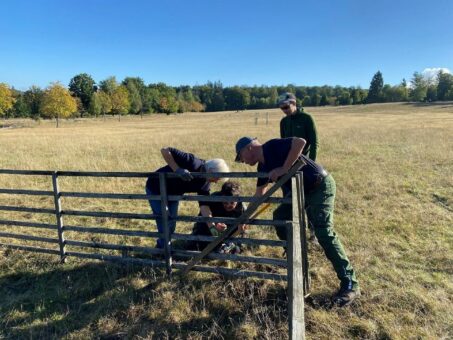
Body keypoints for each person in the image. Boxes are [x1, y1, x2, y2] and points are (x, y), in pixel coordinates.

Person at [234, 136, 359, 306]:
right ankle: (294, 254)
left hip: (319, 186)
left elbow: (301, 142)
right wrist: (245, 217)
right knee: (280, 217)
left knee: (323, 233)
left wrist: (283, 168)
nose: (241, 161)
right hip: (297, 193)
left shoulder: (271, 147)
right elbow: (259, 194)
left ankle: (350, 284)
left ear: (249, 148)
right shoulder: (263, 166)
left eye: (240, 156)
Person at [145, 147, 229, 249]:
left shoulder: (205, 184)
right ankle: (163, 250)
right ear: (211, 171)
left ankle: (163, 247)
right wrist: (177, 169)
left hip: (174, 194)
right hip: (155, 188)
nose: (216, 181)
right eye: (217, 178)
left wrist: (213, 229)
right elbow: (165, 150)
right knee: (164, 220)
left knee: (171, 221)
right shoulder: (192, 162)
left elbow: (204, 207)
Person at [188, 181, 246, 253]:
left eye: (232, 203)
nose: (228, 205)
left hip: (229, 234)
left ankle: (227, 247)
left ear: (237, 200)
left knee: (237, 250)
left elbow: (241, 230)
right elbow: (202, 221)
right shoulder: (213, 199)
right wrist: (215, 226)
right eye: (225, 202)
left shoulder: (242, 208)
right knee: (194, 247)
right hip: (209, 230)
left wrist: (236, 232)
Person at [278, 92, 319, 161]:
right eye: (282, 108)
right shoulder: (283, 122)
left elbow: (314, 143)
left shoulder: (307, 118)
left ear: (294, 103)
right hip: (288, 161)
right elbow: (283, 143)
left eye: (286, 107)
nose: (284, 110)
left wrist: (311, 161)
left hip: (304, 159)